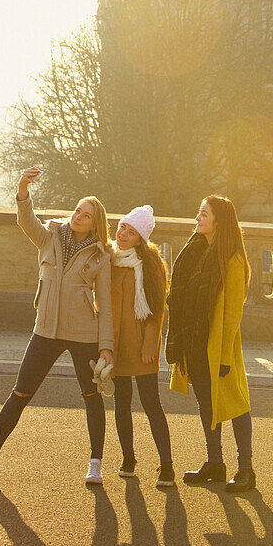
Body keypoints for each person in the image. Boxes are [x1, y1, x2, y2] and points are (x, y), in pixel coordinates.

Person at [0, 167, 114, 485]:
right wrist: (23, 188)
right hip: (46, 330)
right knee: (21, 391)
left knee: (91, 396)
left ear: (96, 223)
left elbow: (105, 306)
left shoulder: (101, 256)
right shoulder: (49, 235)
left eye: (87, 215)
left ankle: (95, 463)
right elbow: (26, 221)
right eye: (78, 210)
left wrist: (106, 348)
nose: (78, 216)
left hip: (83, 334)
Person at [166, 194, 255, 493]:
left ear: (219, 220)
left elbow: (232, 314)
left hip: (219, 345)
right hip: (196, 341)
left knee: (236, 404)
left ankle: (246, 469)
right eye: (199, 212)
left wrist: (226, 355)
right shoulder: (197, 251)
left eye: (203, 213)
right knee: (206, 400)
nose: (198, 218)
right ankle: (215, 462)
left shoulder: (232, 259)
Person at [110, 204, 174, 488]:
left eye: (131, 231)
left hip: (142, 346)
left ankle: (167, 464)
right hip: (117, 344)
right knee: (121, 401)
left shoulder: (150, 264)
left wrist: (150, 346)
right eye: (123, 227)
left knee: (151, 404)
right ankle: (128, 457)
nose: (123, 233)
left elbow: (157, 310)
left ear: (140, 239)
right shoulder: (109, 258)